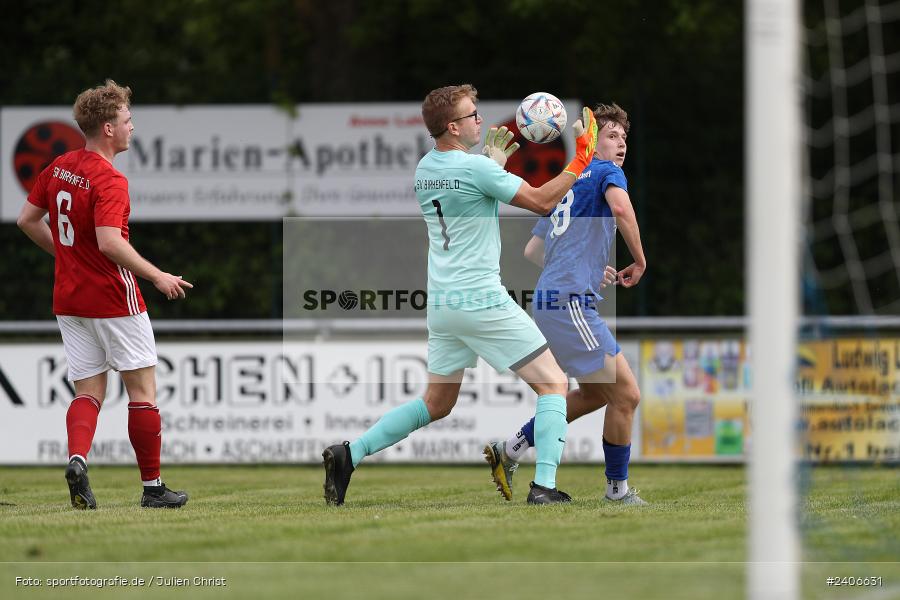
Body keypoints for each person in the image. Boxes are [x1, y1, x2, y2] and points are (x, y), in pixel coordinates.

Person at [323, 84, 598, 505]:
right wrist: (580, 157)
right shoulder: (476, 170)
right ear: (452, 126)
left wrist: (489, 162)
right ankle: (544, 487)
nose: (479, 120)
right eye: (472, 115)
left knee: (437, 402)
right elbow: (542, 202)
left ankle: (350, 453)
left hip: (444, 303)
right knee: (554, 383)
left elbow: (466, 196)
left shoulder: (424, 169)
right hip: (480, 297)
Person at [17, 80, 192, 509]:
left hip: (69, 300)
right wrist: (157, 276)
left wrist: (68, 256)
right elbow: (111, 242)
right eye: (128, 120)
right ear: (108, 129)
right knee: (142, 392)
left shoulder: (60, 166)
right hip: (113, 299)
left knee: (88, 392)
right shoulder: (109, 179)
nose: (133, 127)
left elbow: (26, 219)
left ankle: (78, 460)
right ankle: (153, 489)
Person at [484, 103, 649, 505]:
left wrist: (591, 266)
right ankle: (617, 491)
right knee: (626, 395)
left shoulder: (569, 184)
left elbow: (532, 250)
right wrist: (640, 260)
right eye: (611, 135)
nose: (621, 144)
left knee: (595, 394)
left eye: (624, 138)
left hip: (550, 299)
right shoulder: (607, 171)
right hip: (570, 302)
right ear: (593, 143)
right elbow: (622, 208)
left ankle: (509, 450)